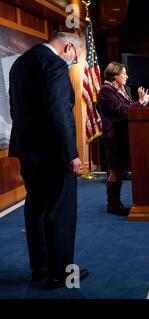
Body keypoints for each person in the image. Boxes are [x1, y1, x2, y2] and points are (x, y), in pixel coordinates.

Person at [8, 32, 88, 289]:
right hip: (53, 153)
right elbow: (58, 110)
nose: (73, 63)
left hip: (28, 150)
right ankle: (62, 273)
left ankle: (40, 266)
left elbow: (14, 107)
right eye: (75, 59)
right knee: (60, 212)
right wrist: (71, 153)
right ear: (68, 47)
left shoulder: (20, 63)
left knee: (36, 207)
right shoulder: (52, 63)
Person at [97, 62, 149, 215]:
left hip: (123, 135)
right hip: (114, 137)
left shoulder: (120, 90)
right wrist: (139, 103)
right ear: (115, 75)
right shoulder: (106, 90)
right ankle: (113, 204)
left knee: (119, 170)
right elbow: (120, 111)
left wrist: (142, 103)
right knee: (115, 170)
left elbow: (130, 110)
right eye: (124, 73)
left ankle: (116, 203)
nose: (127, 76)